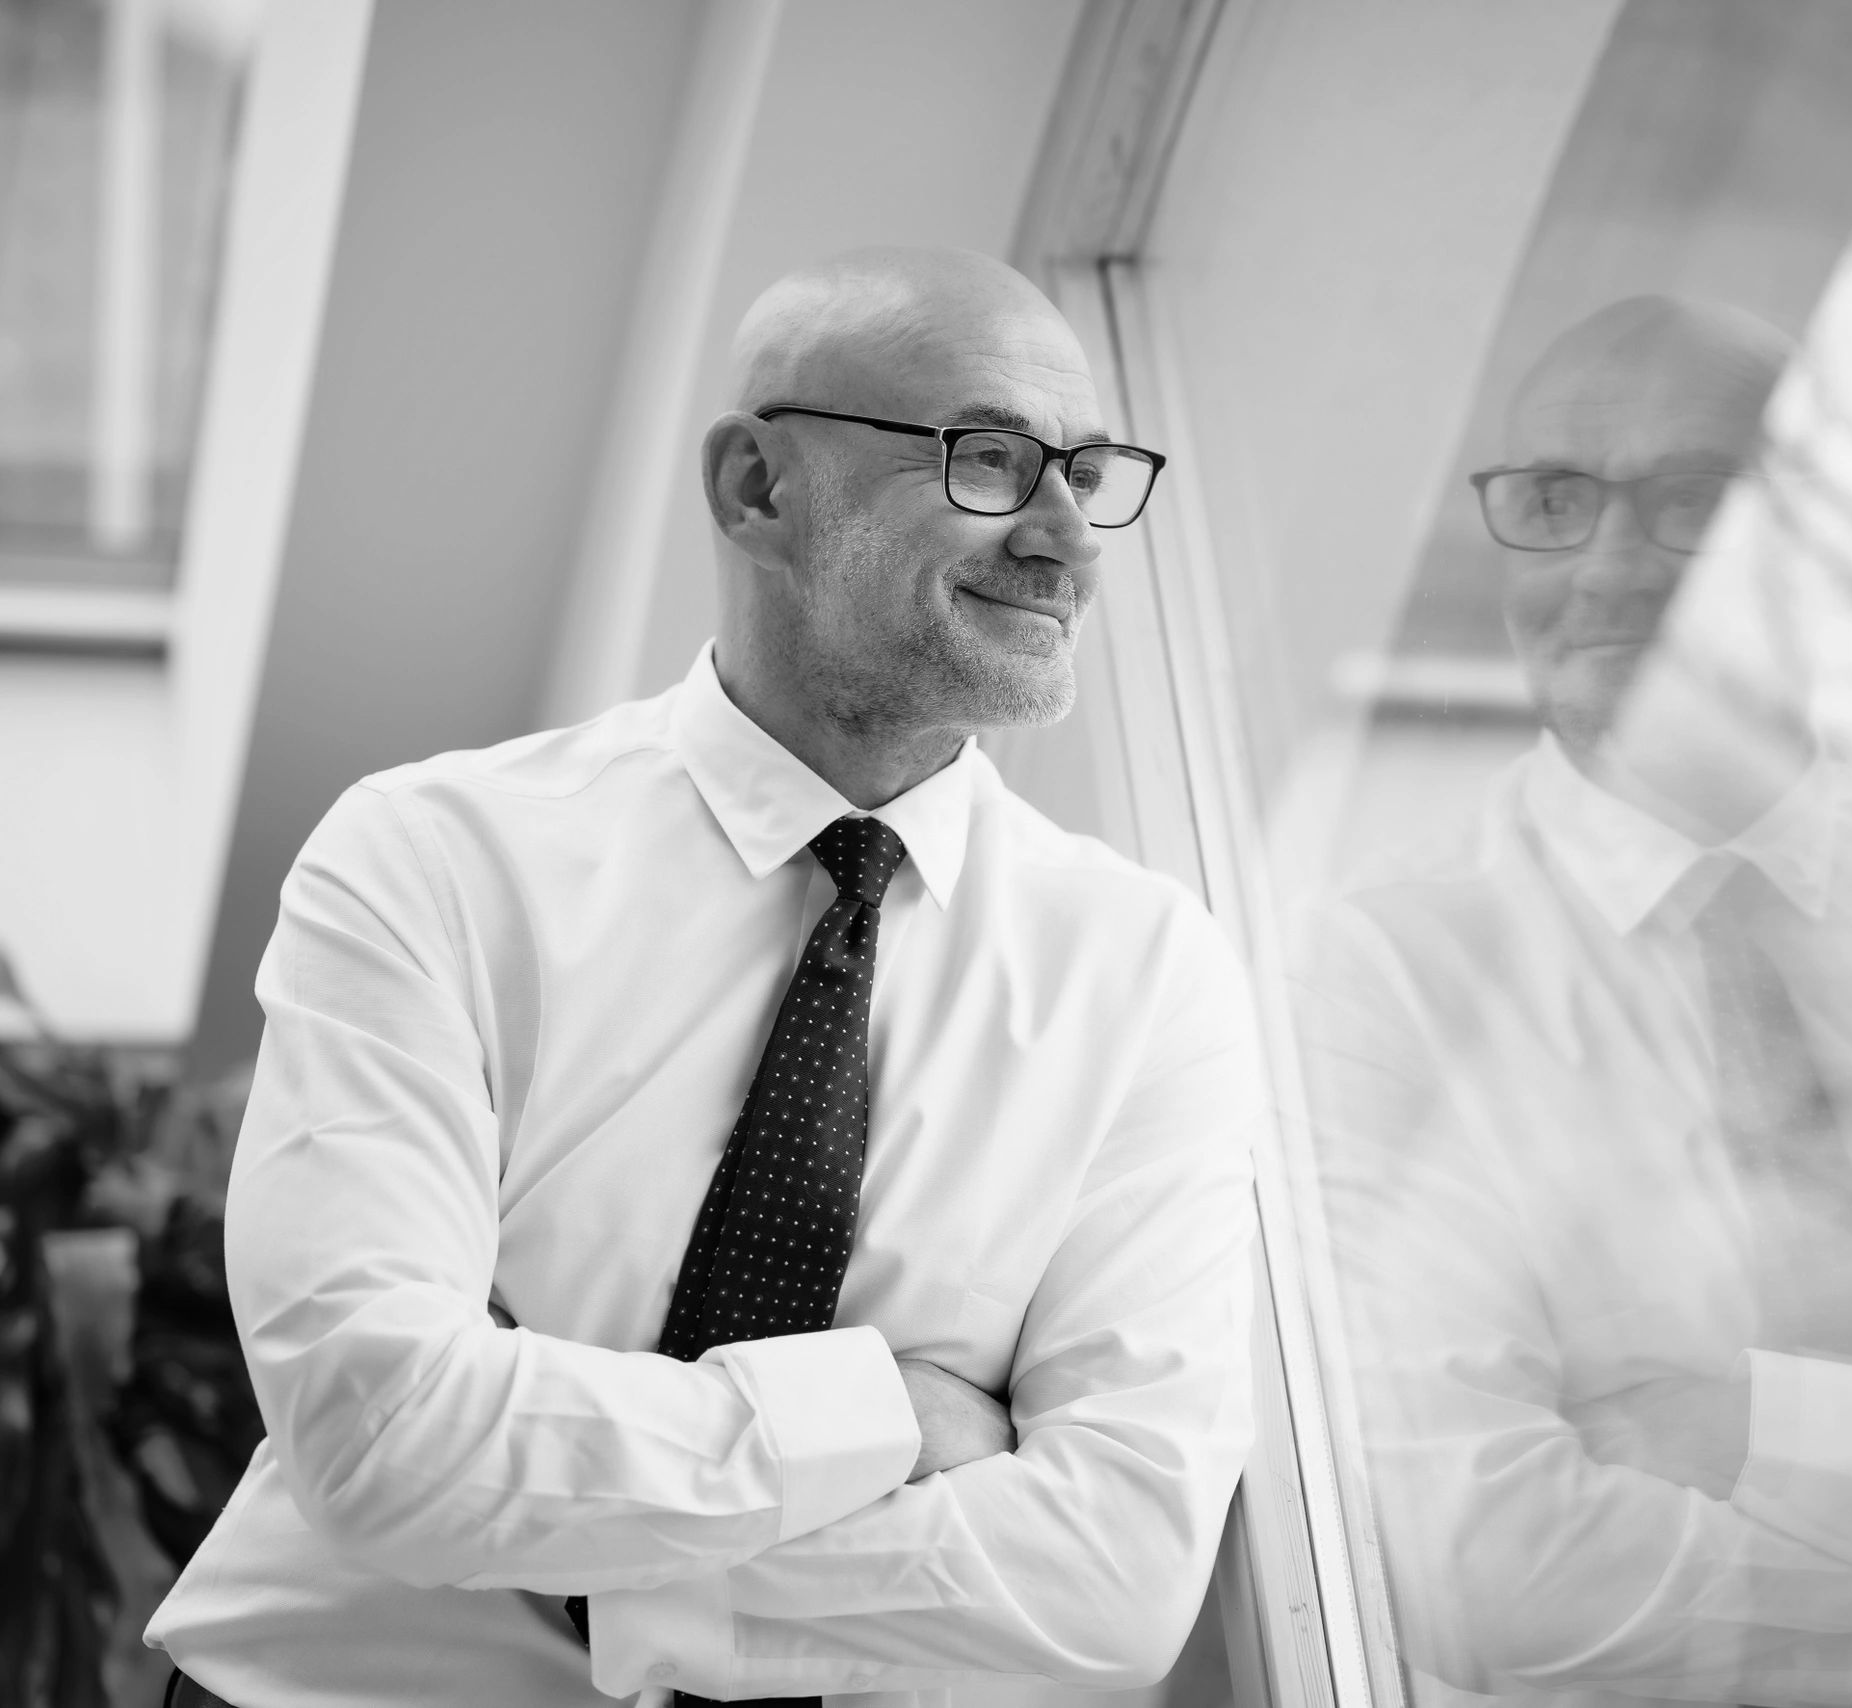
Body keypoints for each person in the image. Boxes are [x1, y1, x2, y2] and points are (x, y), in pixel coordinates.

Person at [146, 247, 1260, 1708]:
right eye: (991, 459)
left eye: (1092, 469)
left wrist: (601, 1562)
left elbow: (1113, 1578)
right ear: (755, 488)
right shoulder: (434, 859)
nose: (1072, 537)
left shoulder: (1147, 967)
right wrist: (884, 1417)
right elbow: (378, 1434)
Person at [1293, 296, 1852, 1708]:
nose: (1609, 567)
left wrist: (1751, 1430)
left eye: (1693, 500)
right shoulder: (1383, 972)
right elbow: (1486, 1577)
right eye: (1556, 499)